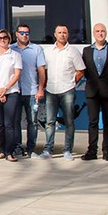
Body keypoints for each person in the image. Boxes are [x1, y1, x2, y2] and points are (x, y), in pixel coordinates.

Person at [40, 25, 85, 160]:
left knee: (69, 122)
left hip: (67, 91)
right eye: (59, 32)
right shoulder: (48, 52)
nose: (62, 35)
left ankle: (67, 150)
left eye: (64, 32)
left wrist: (72, 82)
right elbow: (43, 70)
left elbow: (81, 70)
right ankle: (48, 150)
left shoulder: (73, 51)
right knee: (50, 122)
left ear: (68, 35)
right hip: (51, 91)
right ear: (55, 34)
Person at [10, 24, 46, 158]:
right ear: (16, 34)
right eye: (22, 33)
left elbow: (41, 71)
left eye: (27, 33)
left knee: (33, 122)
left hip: (32, 91)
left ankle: (31, 149)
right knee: (15, 121)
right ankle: (18, 147)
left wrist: (40, 89)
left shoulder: (37, 49)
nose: (25, 35)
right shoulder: (10, 49)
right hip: (15, 91)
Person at [81, 23, 108, 161]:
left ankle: (107, 151)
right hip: (92, 91)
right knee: (93, 122)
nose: (100, 33)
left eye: (102, 31)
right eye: (97, 31)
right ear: (94, 33)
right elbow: (83, 70)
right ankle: (92, 150)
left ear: (105, 33)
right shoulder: (87, 51)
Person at [0, 29, 22, 162]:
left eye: (5, 37)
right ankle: (1, 150)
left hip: (11, 93)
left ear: (9, 39)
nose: (3, 39)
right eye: (0, 38)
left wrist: (5, 89)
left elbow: (17, 75)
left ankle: (9, 152)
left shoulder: (15, 55)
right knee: (0, 124)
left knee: (9, 124)